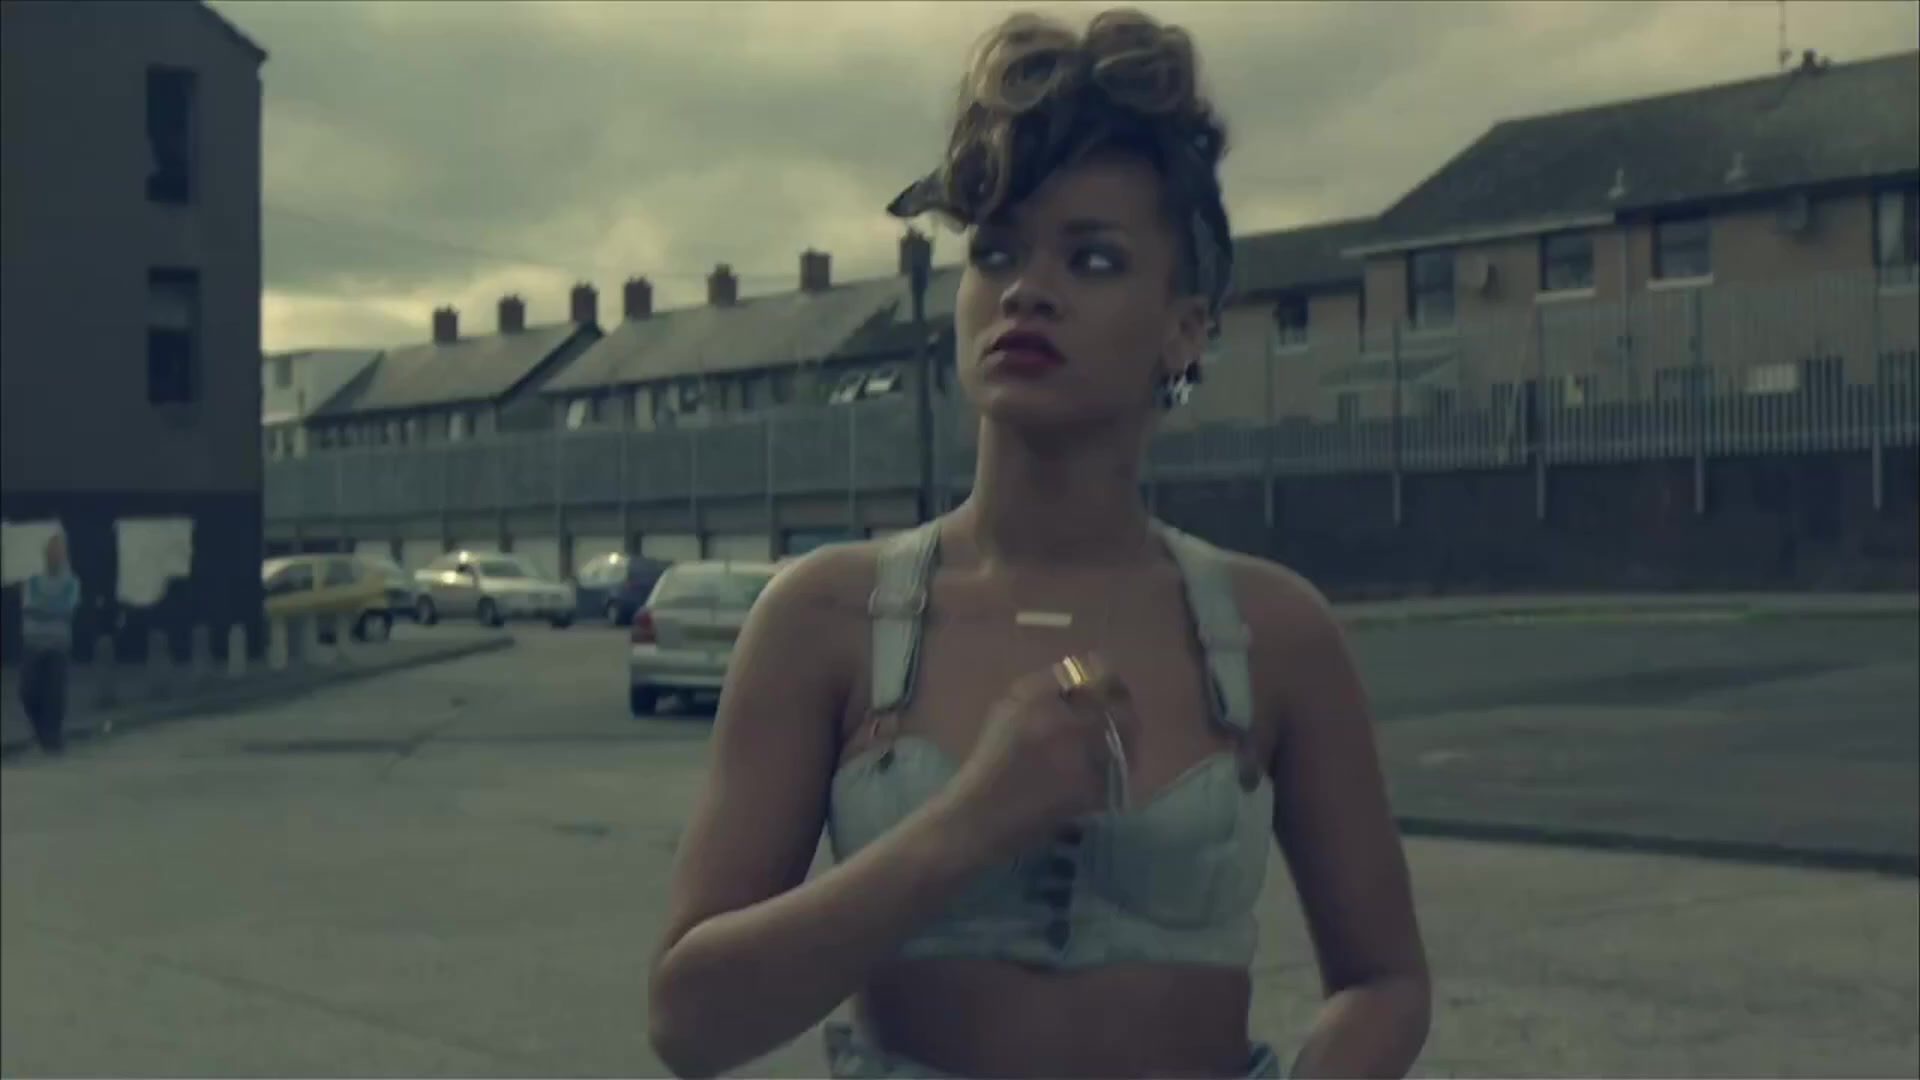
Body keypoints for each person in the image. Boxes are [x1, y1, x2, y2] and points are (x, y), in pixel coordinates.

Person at [646, 10, 1429, 1078]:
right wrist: (969, 822)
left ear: (1184, 328)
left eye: (1093, 257)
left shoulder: (1272, 631)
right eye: (997, 252)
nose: (1027, 289)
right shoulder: (826, 615)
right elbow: (691, 1024)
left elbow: (1385, 981)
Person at [20, 531, 82, 755]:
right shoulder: (33, 582)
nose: (55, 556)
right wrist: (52, 609)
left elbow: (67, 610)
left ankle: (52, 738)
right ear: (45, 555)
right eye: (52, 552)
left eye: (59, 552)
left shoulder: (72, 583)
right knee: (28, 692)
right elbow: (29, 608)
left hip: (58, 645)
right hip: (33, 644)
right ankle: (42, 733)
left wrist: (43, 608)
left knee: (54, 695)